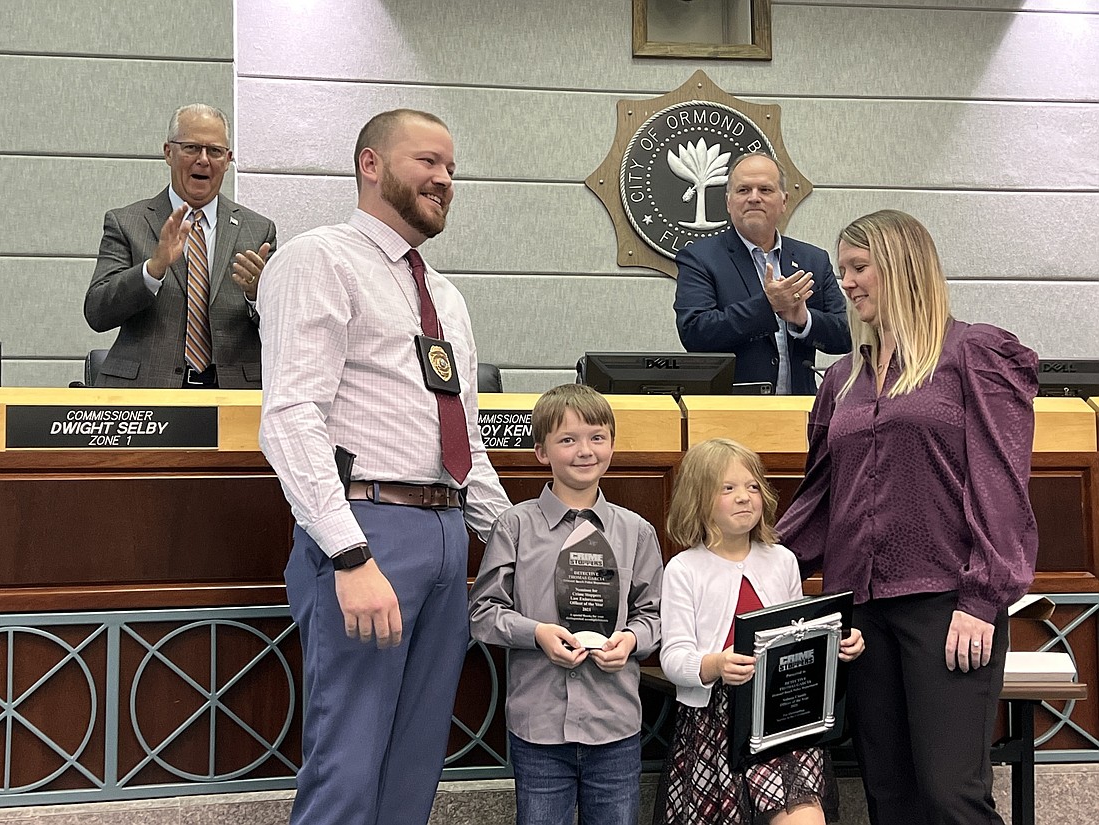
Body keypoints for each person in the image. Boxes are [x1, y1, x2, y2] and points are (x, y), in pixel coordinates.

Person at [257, 108, 511, 825]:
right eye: (427, 161)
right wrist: (348, 551)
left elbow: (466, 444)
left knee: (413, 765)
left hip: (445, 532)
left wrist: (522, 538)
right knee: (349, 761)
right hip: (367, 528)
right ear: (371, 164)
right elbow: (290, 418)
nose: (444, 179)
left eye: (451, 168)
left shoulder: (447, 297)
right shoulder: (319, 260)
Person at [777, 209, 1039, 825]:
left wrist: (981, 600)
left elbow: (1002, 485)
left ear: (902, 267)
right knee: (888, 795)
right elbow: (820, 498)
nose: (847, 282)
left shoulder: (975, 353)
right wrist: (749, 562)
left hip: (945, 604)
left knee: (951, 796)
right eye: (843, 270)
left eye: (859, 268)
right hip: (860, 612)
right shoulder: (841, 377)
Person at [469, 383, 663, 825]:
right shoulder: (515, 526)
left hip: (614, 725)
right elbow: (483, 612)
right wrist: (535, 634)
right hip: (539, 728)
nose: (585, 450)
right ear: (542, 452)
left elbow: (655, 615)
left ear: (612, 444)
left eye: (597, 437)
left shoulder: (636, 532)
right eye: (567, 439)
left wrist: (631, 641)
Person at [655, 438, 864, 825]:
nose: (744, 497)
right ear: (698, 499)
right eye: (728, 488)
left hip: (781, 714)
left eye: (752, 487)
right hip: (716, 721)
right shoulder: (684, 569)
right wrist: (714, 663)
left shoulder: (781, 560)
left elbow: (799, 635)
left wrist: (836, 643)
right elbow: (672, 657)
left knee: (802, 817)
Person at [84, 103, 276, 388]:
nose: (203, 159)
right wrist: (152, 269)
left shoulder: (258, 230)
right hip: (147, 393)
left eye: (214, 151)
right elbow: (98, 312)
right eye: (191, 148)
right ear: (168, 153)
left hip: (234, 394)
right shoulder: (126, 222)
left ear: (227, 160)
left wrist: (258, 295)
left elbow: (285, 329)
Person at [674, 153, 850, 395]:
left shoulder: (813, 260)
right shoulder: (700, 259)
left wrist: (804, 320)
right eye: (743, 190)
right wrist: (767, 306)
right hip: (733, 412)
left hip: (800, 412)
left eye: (765, 190)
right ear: (728, 202)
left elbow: (846, 333)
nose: (754, 198)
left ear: (784, 201)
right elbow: (694, 333)